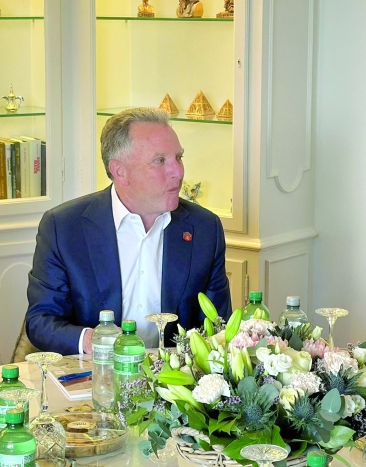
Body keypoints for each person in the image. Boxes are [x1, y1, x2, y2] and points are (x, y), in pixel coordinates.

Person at [26, 108, 232, 355]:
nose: (178, 172)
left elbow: (219, 325)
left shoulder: (204, 228)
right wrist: (94, 341)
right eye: (160, 160)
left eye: (179, 157)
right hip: (97, 374)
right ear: (120, 171)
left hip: (176, 382)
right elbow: (41, 321)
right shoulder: (64, 227)